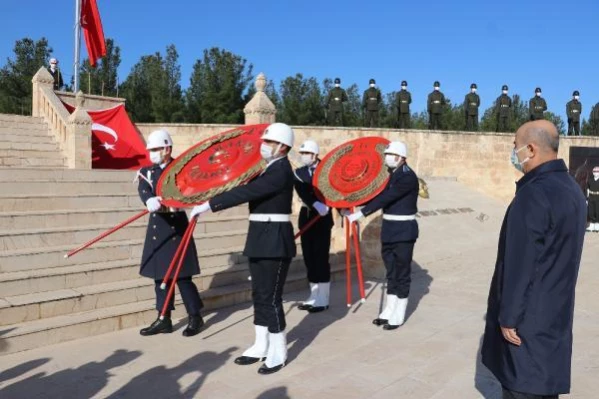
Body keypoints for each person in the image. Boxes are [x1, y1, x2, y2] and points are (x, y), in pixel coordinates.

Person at [482, 120, 587, 399]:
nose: (513, 153)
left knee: (523, 387)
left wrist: (508, 317)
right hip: (555, 316)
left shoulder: (533, 194)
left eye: (515, 147)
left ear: (531, 148)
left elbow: (520, 265)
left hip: (527, 327)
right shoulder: (573, 190)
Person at [190, 123, 296, 375]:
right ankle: (261, 345)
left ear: (283, 147)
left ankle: (278, 351)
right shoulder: (267, 169)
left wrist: (211, 204)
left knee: (271, 298)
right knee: (259, 294)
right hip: (259, 238)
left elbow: (250, 191)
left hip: (275, 241)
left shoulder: (281, 170)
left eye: (269, 142)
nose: (265, 146)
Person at [137, 129, 204, 337]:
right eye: (151, 150)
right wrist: (148, 199)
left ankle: (195, 316)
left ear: (167, 149)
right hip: (158, 227)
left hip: (176, 227)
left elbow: (190, 190)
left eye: (156, 149)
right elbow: (143, 187)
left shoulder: (181, 169)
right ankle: (163, 318)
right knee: (160, 277)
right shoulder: (148, 171)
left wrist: (171, 199)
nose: (152, 153)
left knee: (182, 277)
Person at [345, 141, 419, 330]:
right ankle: (389, 309)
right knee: (391, 272)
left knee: (402, 273)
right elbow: (377, 195)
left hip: (403, 231)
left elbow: (387, 197)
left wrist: (362, 213)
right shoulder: (392, 175)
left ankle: (399, 313)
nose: (387, 158)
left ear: (400, 157)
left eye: (390, 154)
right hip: (390, 229)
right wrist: (353, 202)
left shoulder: (407, 177)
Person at [293, 140, 334, 313]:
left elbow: (336, 190)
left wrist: (340, 207)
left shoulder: (328, 171)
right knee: (309, 257)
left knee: (320, 257)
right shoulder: (299, 172)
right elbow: (302, 191)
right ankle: (313, 295)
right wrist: (314, 203)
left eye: (306, 153)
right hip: (307, 215)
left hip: (323, 217)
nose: (303, 157)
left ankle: (323, 299)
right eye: (302, 153)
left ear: (315, 155)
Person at [587, 166, 599, 232]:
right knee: (591, 211)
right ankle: (591, 226)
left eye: (597, 171)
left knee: (597, 211)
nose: (596, 173)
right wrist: (587, 197)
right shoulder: (590, 180)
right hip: (591, 197)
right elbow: (587, 188)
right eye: (594, 171)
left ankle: (597, 226)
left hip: (598, 197)